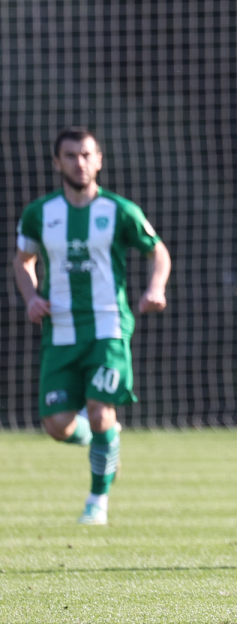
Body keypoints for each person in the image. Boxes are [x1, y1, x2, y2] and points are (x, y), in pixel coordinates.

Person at [13, 126, 171, 526]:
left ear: (99, 160)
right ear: (57, 163)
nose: (79, 163)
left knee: (101, 410)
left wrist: (155, 287)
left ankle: (97, 501)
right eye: (70, 156)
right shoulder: (39, 214)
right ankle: (106, 442)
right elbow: (23, 260)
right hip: (60, 331)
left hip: (108, 328)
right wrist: (31, 297)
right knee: (57, 426)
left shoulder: (120, 210)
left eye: (86, 155)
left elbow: (158, 252)